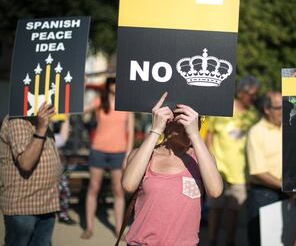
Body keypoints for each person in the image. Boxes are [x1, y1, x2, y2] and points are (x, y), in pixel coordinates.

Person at [122, 92, 223, 245]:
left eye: (196, 119)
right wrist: (155, 130)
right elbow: (128, 185)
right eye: (183, 119)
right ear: (168, 121)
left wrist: (195, 135)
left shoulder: (200, 159)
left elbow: (215, 191)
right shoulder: (145, 156)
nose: (189, 125)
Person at [206, 76, 259, 246]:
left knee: (234, 211)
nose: (254, 98)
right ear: (241, 92)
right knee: (215, 209)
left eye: (255, 95)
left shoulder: (254, 115)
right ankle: (212, 241)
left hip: (241, 173)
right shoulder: (223, 108)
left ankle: (229, 241)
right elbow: (209, 135)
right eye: (251, 94)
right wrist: (208, 161)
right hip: (218, 170)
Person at [81, 77, 135, 239]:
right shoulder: (100, 101)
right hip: (98, 150)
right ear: (109, 86)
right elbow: (83, 109)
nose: (116, 85)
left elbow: (130, 131)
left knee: (118, 191)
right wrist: (82, 87)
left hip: (118, 153)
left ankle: (119, 229)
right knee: (93, 188)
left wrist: (128, 153)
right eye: (113, 82)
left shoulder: (126, 104)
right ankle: (89, 227)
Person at [0, 103, 61, 246]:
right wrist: (41, 128)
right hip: (23, 207)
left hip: (46, 204)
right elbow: (26, 163)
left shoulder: (39, 119)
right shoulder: (17, 119)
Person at [246, 90, 288, 246]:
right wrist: (287, 187)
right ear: (266, 109)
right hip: (264, 195)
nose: (283, 111)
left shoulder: (289, 129)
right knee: (262, 241)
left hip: (289, 194)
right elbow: (258, 173)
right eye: (279, 107)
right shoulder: (256, 132)